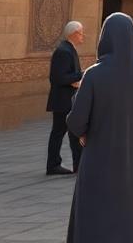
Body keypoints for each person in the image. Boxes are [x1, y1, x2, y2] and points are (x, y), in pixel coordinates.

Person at [65, 12, 133, 243]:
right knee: (129, 221)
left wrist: (86, 133)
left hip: (99, 159)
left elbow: (76, 121)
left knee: (96, 220)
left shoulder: (94, 75)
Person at [46, 20, 85, 176]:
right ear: (74, 34)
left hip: (67, 100)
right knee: (60, 133)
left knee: (72, 134)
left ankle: (78, 165)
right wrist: (82, 74)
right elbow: (59, 78)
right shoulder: (64, 51)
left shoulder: (68, 49)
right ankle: (54, 165)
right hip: (63, 101)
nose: (83, 36)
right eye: (81, 33)